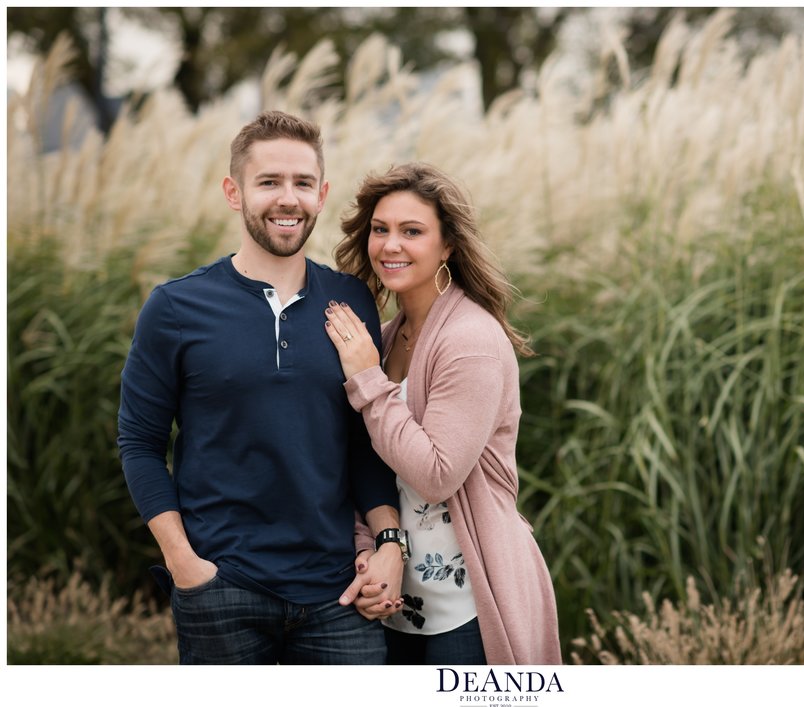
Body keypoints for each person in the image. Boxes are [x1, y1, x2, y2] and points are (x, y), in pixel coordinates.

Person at [117, 110, 405, 664]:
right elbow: (139, 443)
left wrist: (390, 543)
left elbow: (366, 443)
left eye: (301, 183)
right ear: (234, 192)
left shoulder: (351, 302)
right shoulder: (176, 307)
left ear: (321, 195)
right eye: (268, 182)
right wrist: (184, 565)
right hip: (223, 588)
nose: (287, 199)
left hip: (337, 591)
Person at [324, 163, 562, 665]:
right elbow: (370, 464)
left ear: (447, 245)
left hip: (472, 606)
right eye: (381, 230)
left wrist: (368, 381)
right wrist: (369, 547)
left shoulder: (468, 341)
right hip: (398, 603)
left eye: (412, 231)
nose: (391, 246)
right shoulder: (386, 339)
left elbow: (436, 475)